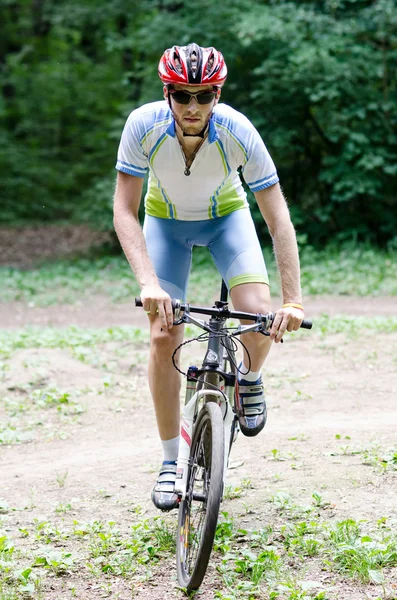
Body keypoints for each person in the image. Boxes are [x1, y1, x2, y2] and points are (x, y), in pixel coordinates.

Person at [113, 43, 304, 511]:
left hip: (227, 220)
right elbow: (124, 210)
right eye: (182, 95)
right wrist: (148, 284)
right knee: (163, 336)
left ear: (217, 94)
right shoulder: (144, 125)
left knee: (259, 317)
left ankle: (250, 378)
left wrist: (293, 300)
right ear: (167, 93)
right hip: (165, 224)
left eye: (204, 95)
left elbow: (278, 218)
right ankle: (169, 462)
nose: (193, 106)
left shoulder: (238, 131)